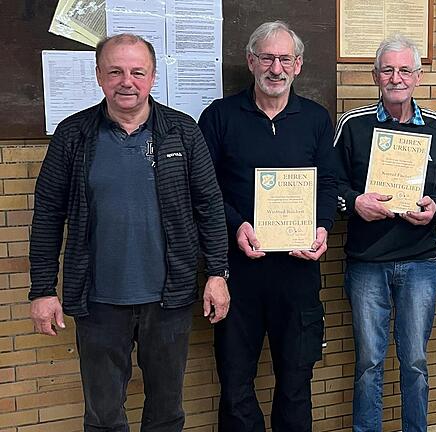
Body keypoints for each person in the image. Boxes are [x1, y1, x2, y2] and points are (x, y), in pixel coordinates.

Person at [28, 34, 230, 432]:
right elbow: (48, 215)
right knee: (103, 416)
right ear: (99, 76)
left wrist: (218, 274)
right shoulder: (74, 135)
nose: (127, 81)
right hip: (99, 301)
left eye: (138, 72)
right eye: (116, 71)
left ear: (153, 77)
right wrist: (42, 289)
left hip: (168, 299)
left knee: (167, 413)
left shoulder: (182, 132)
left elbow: (209, 206)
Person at [198, 21, 336, 432]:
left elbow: (327, 182)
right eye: (267, 58)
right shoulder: (220, 117)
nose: (275, 68)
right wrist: (236, 223)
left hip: (298, 271)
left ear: (298, 65)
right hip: (237, 274)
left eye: (285, 59)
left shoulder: (314, 118)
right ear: (251, 61)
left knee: (296, 380)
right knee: (236, 381)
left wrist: (323, 227)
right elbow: (204, 190)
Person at [333, 35, 436, 432]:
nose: (396, 77)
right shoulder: (353, 125)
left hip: (420, 261)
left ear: (418, 77)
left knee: (416, 362)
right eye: (388, 69)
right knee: (369, 362)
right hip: (367, 263)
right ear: (375, 75)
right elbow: (329, 183)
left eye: (405, 69)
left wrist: (434, 208)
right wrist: (355, 202)